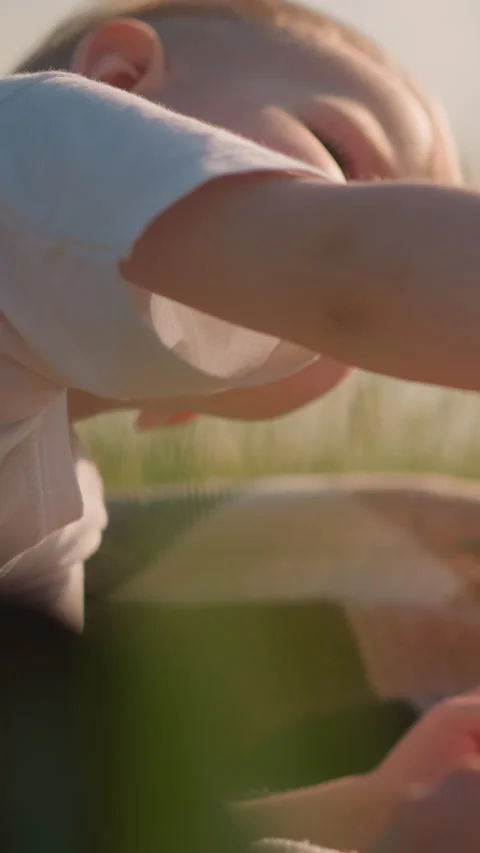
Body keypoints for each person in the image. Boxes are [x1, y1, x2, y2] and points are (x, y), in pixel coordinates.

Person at [2, 0, 480, 849]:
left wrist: (378, 808)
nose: (369, 226)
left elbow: (81, 811)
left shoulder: (54, 517)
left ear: (177, 406)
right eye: (347, 160)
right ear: (120, 82)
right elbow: (347, 270)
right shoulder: (28, 145)